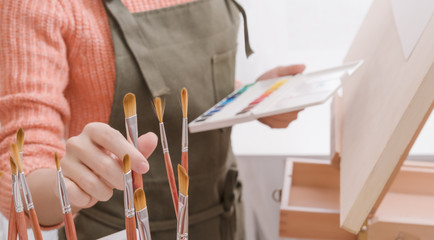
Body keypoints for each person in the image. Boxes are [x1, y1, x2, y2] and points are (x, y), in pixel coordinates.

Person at [0, 0, 304, 239]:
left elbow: (186, 80)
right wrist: (65, 188)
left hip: (223, 221)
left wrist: (251, 99)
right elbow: (20, 178)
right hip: (118, 230)